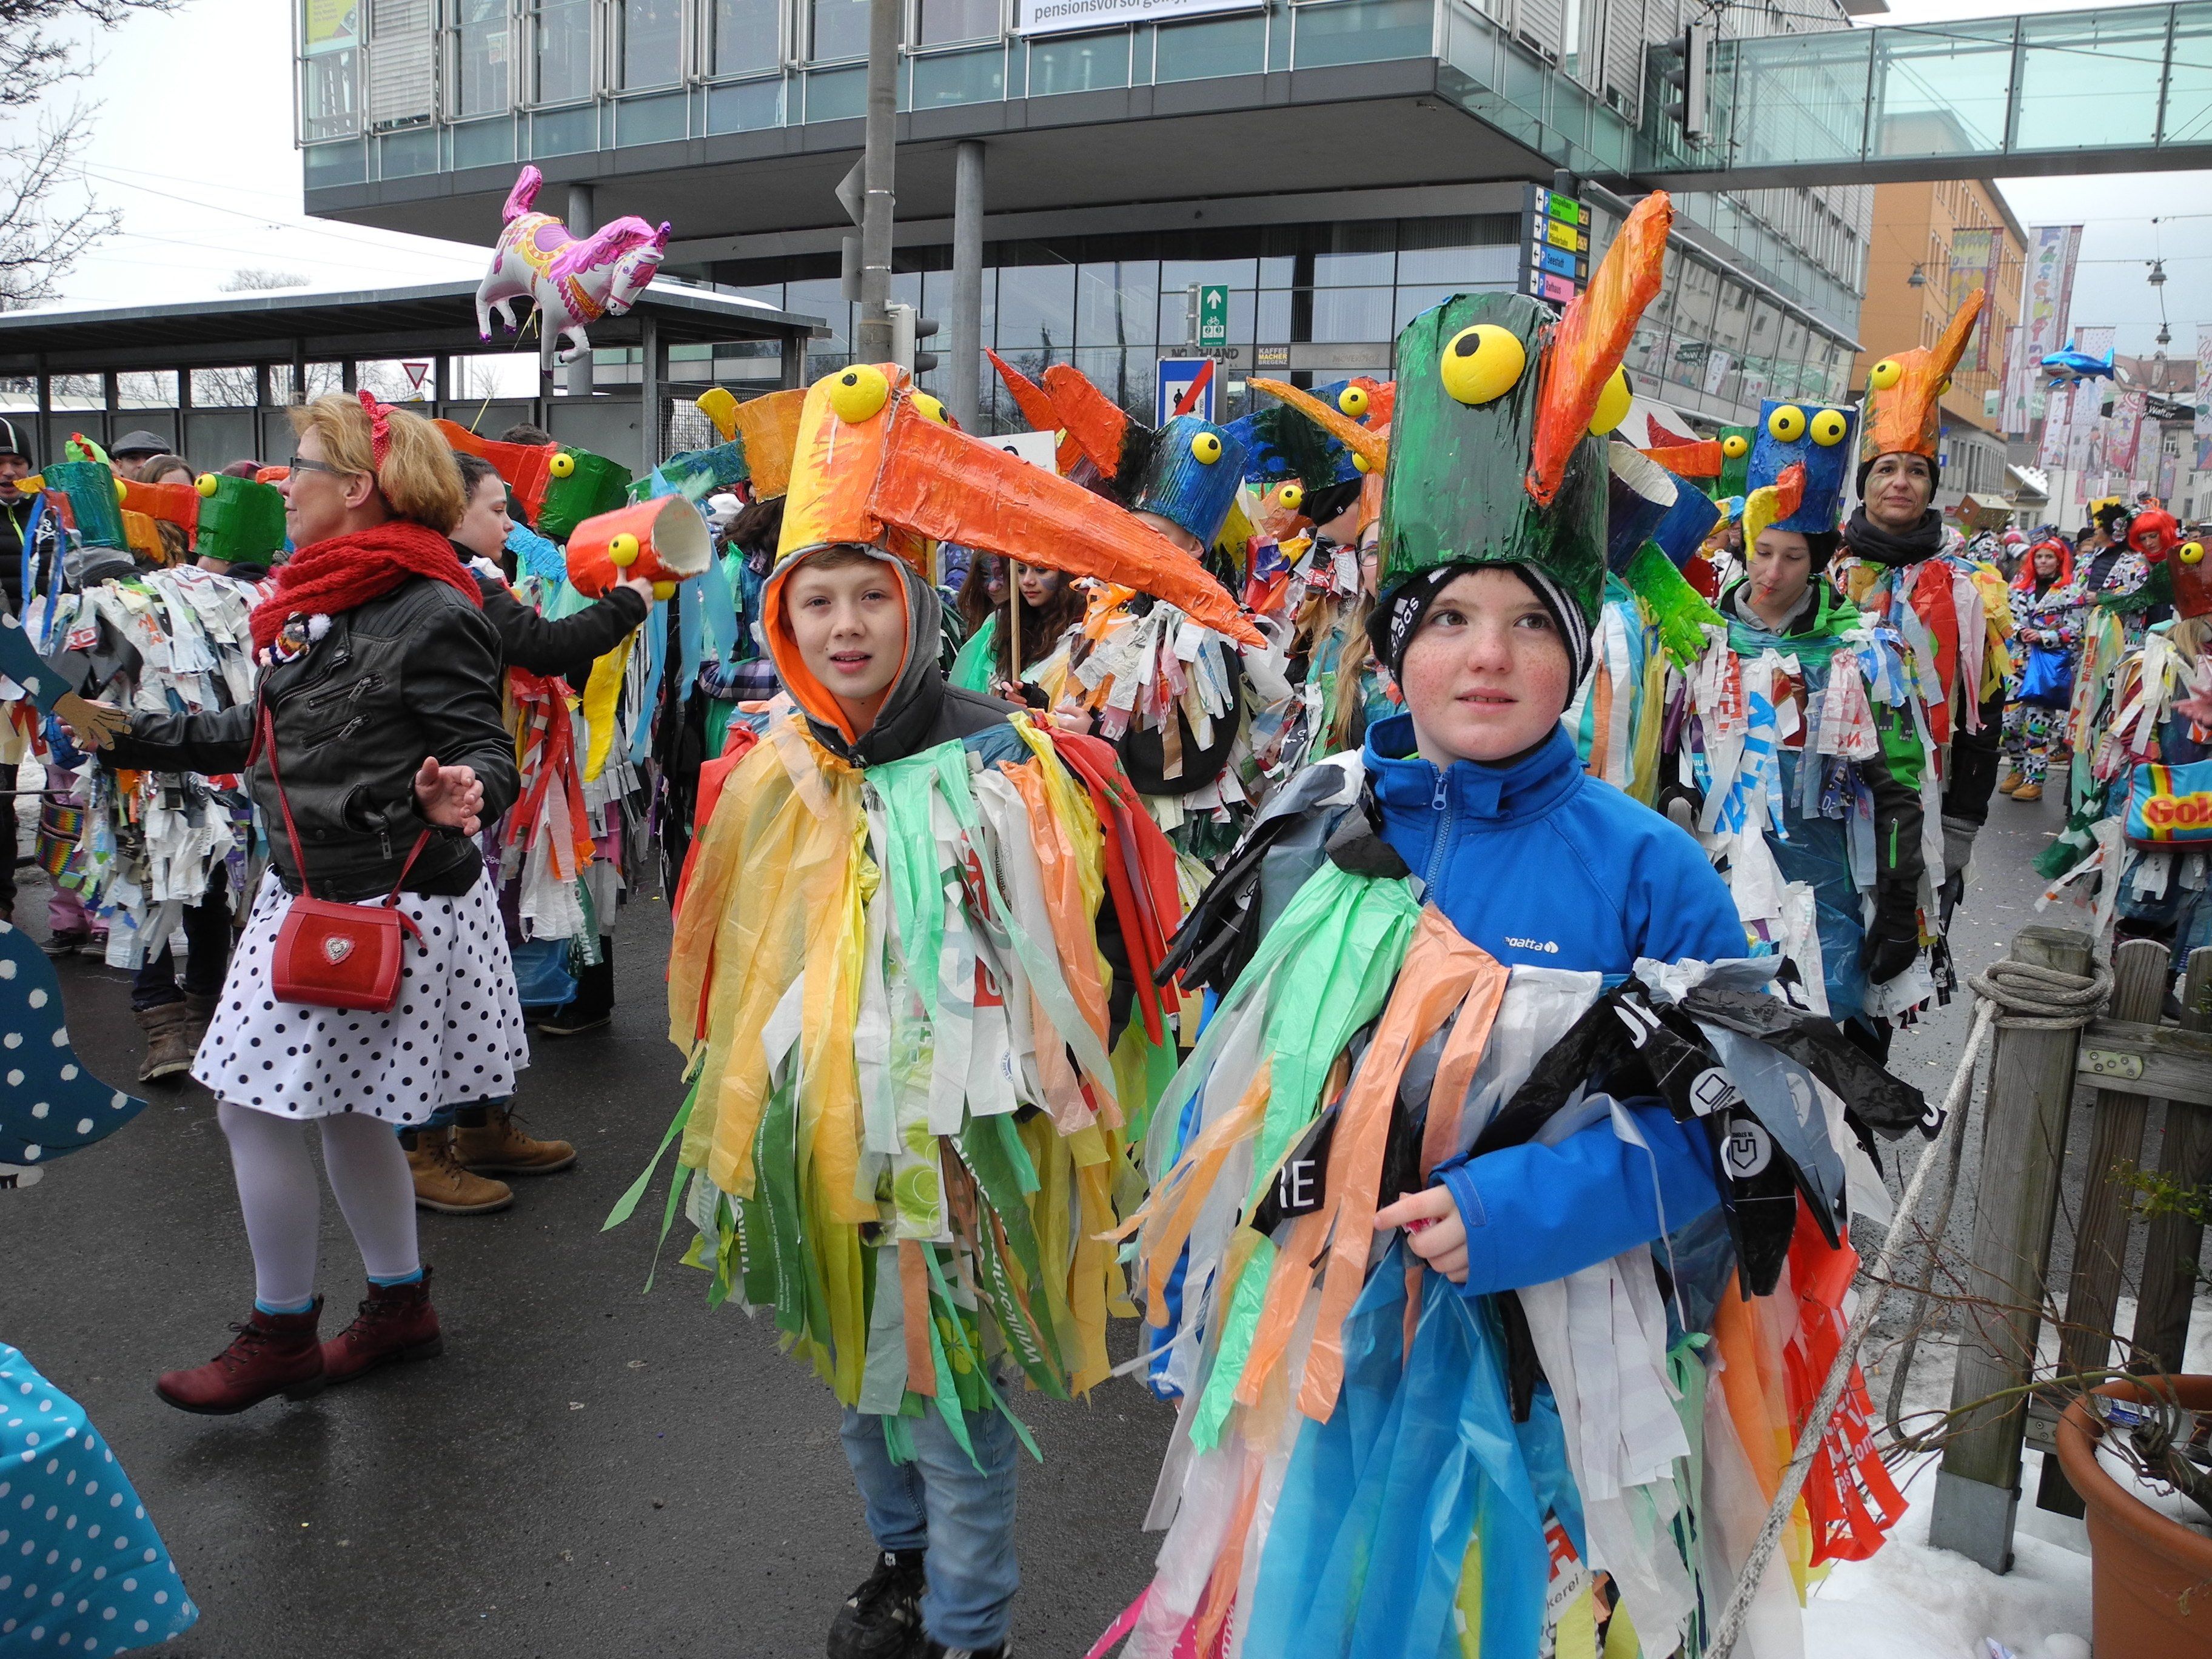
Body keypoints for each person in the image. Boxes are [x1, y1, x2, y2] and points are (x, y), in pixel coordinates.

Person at [1109, 205, 1914, 1657]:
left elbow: (1746, 1127)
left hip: (1559, 1385)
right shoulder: (1318, 822)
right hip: (1331, 1356)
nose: (1489, 655)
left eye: (1531, 623)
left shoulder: (1646, 865)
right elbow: (1237, 1076)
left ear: (1579, 648)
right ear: (1395, 645)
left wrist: (1517, 1211)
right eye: (1450, 619)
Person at [631, 360, 1248, 1659]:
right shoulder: (776, 762)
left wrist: (1030, 1104)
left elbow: (1092, 960)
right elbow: (744, 951)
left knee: (951, 1396)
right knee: (852, 1365)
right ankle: (901, 1561)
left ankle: (971, 1629)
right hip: (824, 1132)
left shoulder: (1007, 763)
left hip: (965, 1147)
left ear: (917, 604)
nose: (845, 626)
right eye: (817, 601)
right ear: (782, 617)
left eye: (872, 595)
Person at [99, 390, 524, 1415]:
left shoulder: (432, 607)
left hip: (377, 903)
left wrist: (464, 790)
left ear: (359, 485)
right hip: (317, 891)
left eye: (300, 465)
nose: (282, 484)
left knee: (253, 1108)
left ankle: (282, 1332)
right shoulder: (321, 600)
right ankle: (399, 1306)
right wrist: (125, 734)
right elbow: (264, 732)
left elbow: (485, 747)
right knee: (344, 1110)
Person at [393, 450, 652, 1215]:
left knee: (480, 969)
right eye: (496, 509)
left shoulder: (468, 575)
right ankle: (419, 1147)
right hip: (436, 798)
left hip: (475, 794)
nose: (509, 525)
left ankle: (480, 1123)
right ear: (450, 508)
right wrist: (630, 603)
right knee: (439, 978)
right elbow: (542, 645)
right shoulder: (447, 579)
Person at [1832, 287, 2013, 917]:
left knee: (1901, 947)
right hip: (1827, 804)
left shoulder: (1969, 589)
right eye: (1886, 469)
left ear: (1932, 486)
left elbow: (1984, 716)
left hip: (1925, 813)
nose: (1900, 482)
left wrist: (1962, 824)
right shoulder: (1825, 572)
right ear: (1865, 483)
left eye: (1916, 470)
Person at [2002, 536, 2082, 805]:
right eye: (2039, 557)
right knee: (2009, 725)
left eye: (2049, 557)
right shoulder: (2019, 586)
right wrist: (2020, 632)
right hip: (2018, 664)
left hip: (2048, 667)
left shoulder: (2071, 591)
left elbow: (2077, 629)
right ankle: (2017, 768)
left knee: (2037, 728)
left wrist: (2045, 636)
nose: (2043, 562)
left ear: (2059, 561)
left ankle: (2035, 780)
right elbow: (2007, 619)